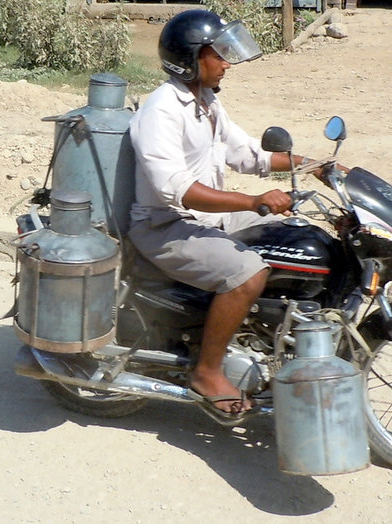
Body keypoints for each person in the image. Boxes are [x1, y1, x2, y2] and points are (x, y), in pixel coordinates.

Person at [128, 10, 330, 420]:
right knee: (247, 274)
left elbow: (250, 155)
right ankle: (207, 371)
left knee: (298, 237)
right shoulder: (162, 110)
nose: (227, 63)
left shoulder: (206, 102)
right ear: (189, 59)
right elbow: (180, 190)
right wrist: (253, 200)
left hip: (206, 218)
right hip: (164, 225)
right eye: (218, 54)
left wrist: (316, 166)